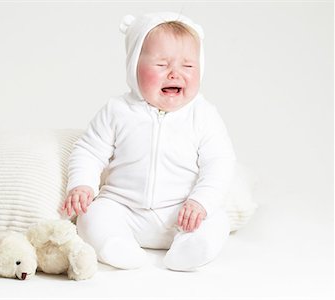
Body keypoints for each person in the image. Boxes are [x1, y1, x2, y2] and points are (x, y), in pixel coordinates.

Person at [61, 12, 236, 271]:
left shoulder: (203, 114)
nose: (175, 74)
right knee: (90, 216)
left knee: (219, 219)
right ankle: (117, 244)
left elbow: (219, 163)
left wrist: (201, 201)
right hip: (124, 209)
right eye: (162, 64)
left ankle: (192, 248)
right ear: (134, 66)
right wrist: (82, 184)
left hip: (182, 213)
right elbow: (89, 150)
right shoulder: (117, 110)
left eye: (188, 66)